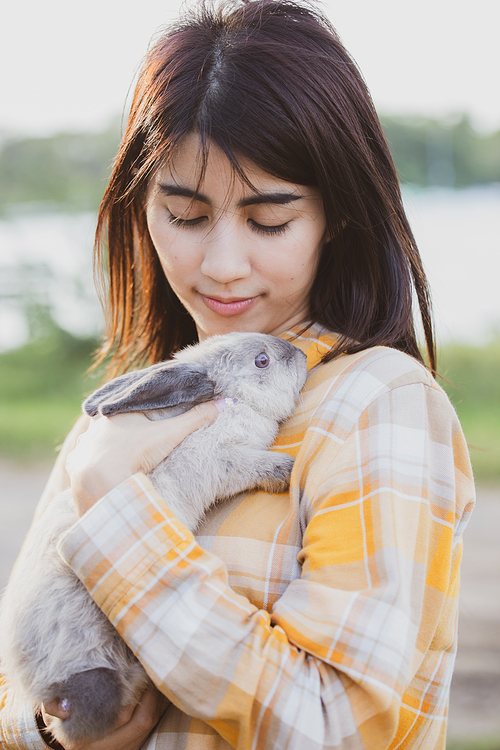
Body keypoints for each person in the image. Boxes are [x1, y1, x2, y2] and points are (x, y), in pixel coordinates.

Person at [0, 1, 475, 748]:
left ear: (337, 217)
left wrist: (120, 518)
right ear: (141, 211)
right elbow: (24, 677)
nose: (221, 265)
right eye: (186, 216)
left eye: (270, 220)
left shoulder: (380, 407)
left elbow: (340, 729)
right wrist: (58, 732)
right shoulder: (121, 418)